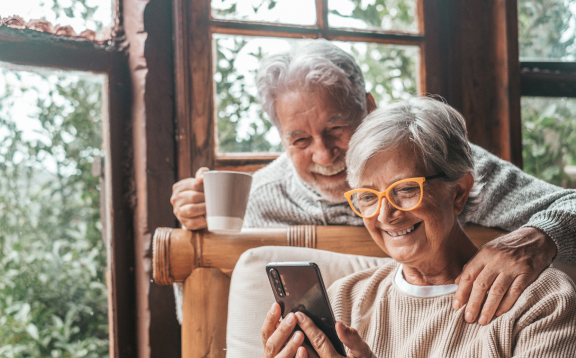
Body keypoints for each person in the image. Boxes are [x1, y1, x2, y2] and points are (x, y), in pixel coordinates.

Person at [170, 40, 576, 325]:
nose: (324, 154)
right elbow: (192, 313)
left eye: (337, 128)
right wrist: (198, 235)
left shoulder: (436, 164)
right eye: (299, 140)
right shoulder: (258, 199)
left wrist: (541, 236)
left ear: (368, 108)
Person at [260, 98, 576, 358]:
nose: (386, 215)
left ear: (459, 192)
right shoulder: (343, 300)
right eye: (369, 196)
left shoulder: (541, 299)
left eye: (407, 189)